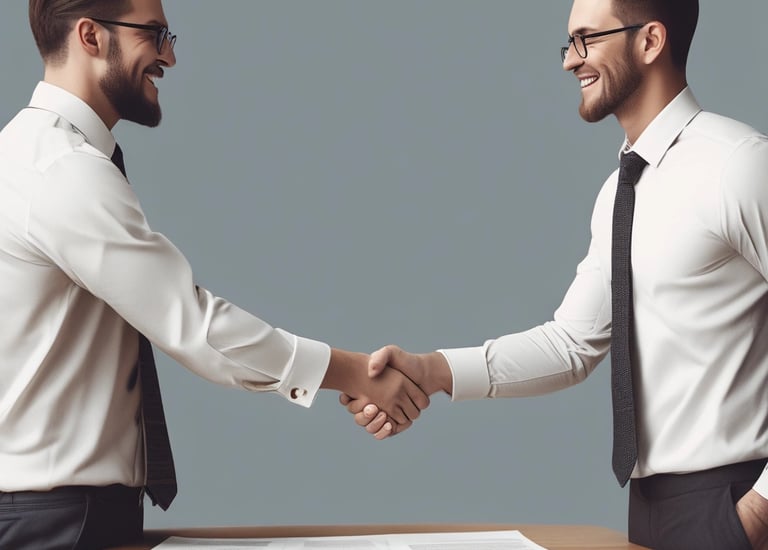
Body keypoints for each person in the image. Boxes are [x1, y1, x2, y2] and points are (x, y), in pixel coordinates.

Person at [0, 0, 429, 548]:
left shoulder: (29, 154)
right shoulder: (62, 170)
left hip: (58, 512)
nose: (171, 56)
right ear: (90, 36)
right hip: (60, 523)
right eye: (155, 35)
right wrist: (354, 373)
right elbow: (195, 326)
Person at [342, 0, 768, 548]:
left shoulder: (739, 165)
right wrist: (431, 371)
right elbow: (572, 345)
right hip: (651, 507)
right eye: (569, 42)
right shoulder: (620, 190)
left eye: (587, 39)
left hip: (732, 499)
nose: (571, 60)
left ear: (651, 41)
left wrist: (757, 512)